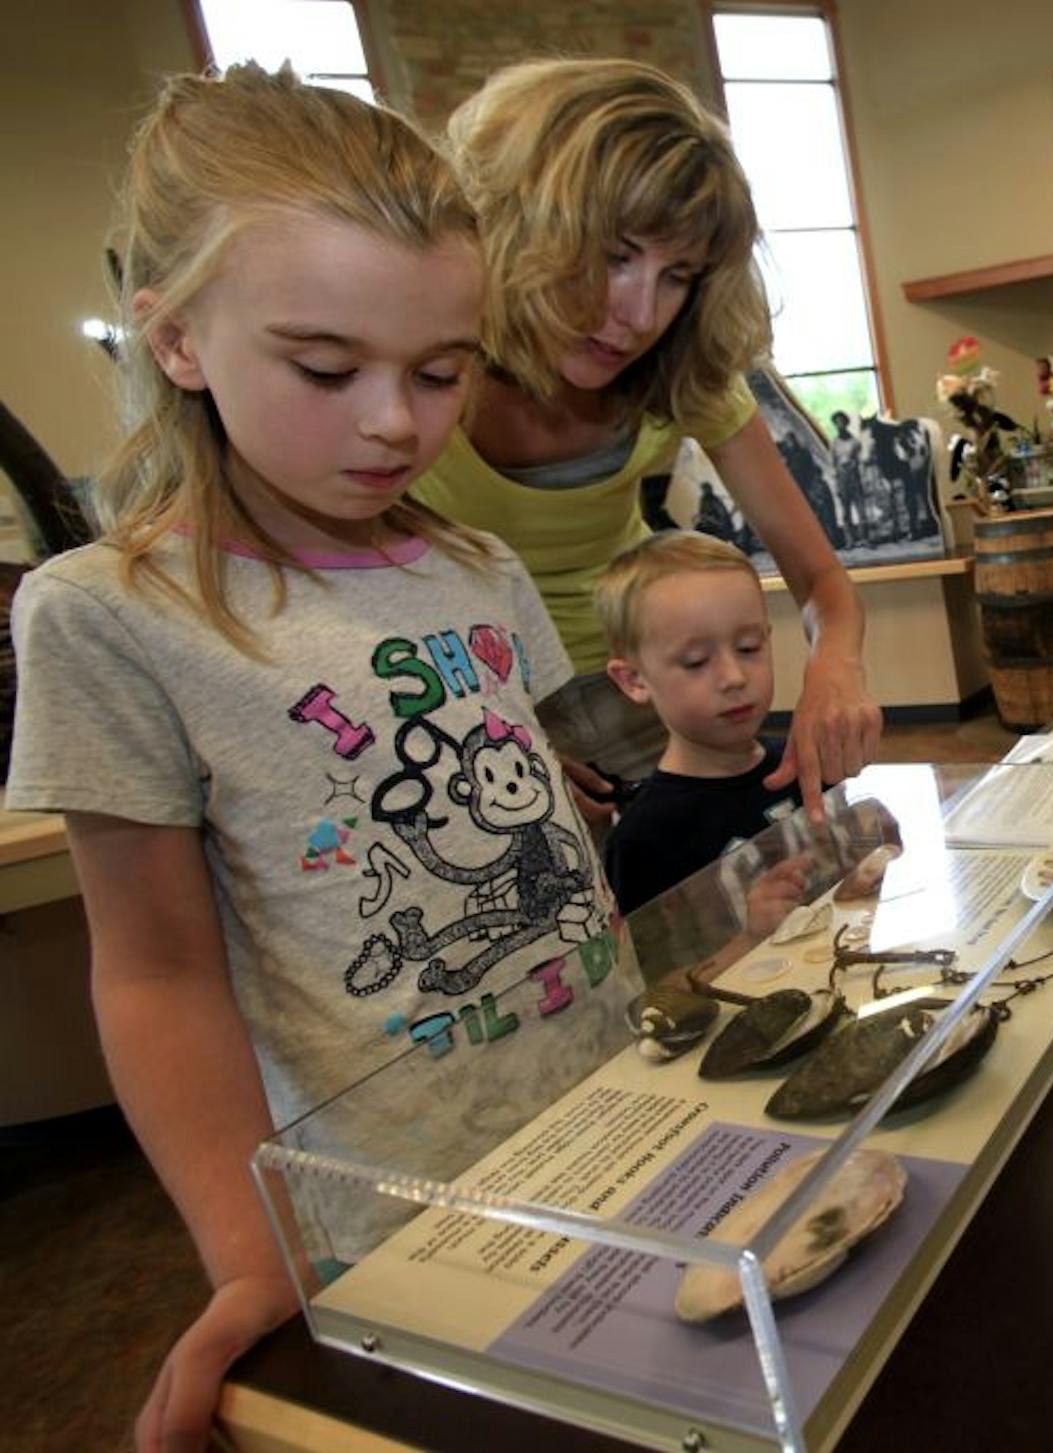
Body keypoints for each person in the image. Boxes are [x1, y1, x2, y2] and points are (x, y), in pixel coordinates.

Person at [5, 67, 631, 1453]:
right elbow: (156, 972)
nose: (396, 423)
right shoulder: (111, 616)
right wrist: (249, 1252)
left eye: (441, 368)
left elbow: (567, 834)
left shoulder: (480, 564)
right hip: (382, 1210)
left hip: (602, 1125)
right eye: (326, 368)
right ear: (176, 339)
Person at [410, 58, 880, 815]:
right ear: (522, 227)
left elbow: (822, 580)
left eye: (678, 275)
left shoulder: (683, 372)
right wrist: (500, 744)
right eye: (615, 256)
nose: (639, 313)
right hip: (472, 712)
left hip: (644, 689)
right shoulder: (424, 368)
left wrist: (836, 666)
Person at [592, 531, 797, 913]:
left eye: (749, 648)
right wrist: (749, 939)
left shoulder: (802, 765)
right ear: (634, 680)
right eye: (696, 661)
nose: (734, 676)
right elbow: (658, 966)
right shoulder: (643, 839)